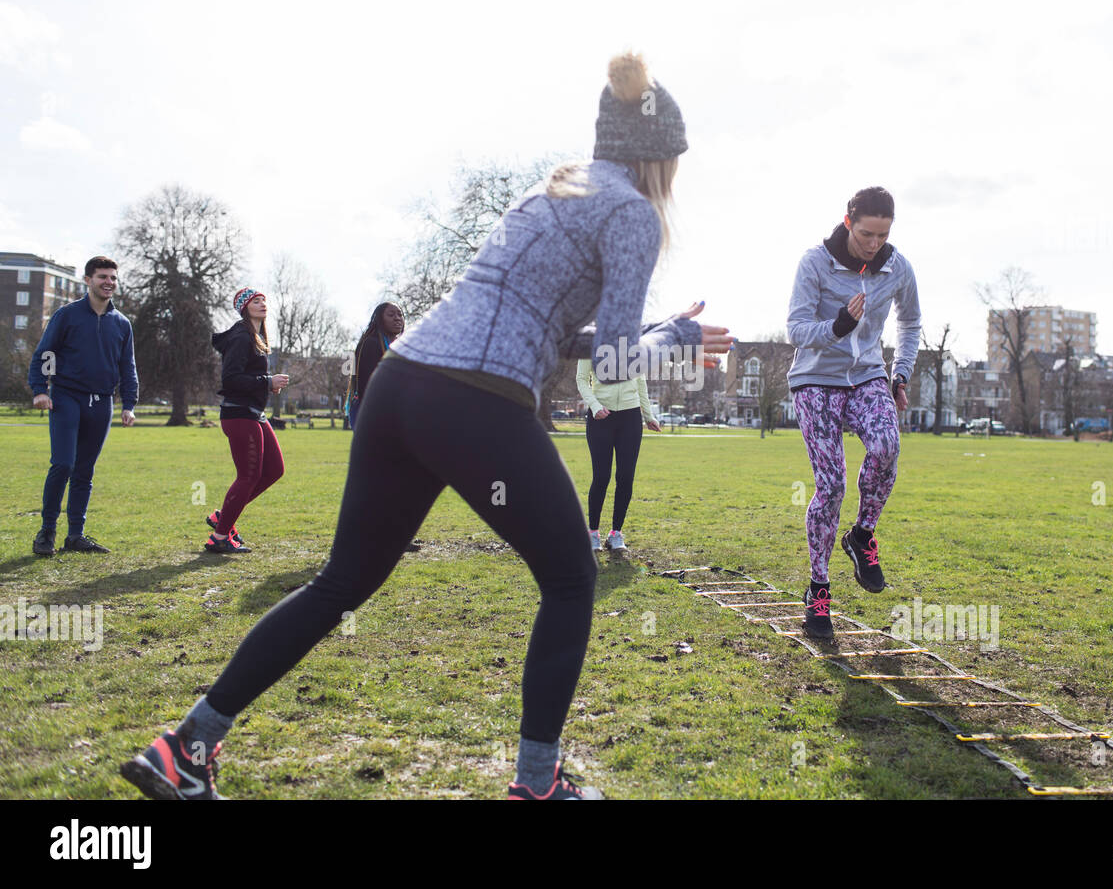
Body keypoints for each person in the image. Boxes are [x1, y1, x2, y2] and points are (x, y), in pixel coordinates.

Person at [122, 51, 734, 801]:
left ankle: (186, 744)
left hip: (401, 388)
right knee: (573, 579)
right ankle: (539, 786)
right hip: (471, 403)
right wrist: (671, 342)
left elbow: (538, 328)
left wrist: (663, 324)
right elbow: (611, 368)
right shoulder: (634, 213)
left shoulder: (548, 194)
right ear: (659, 158)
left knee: (341, 582)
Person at [786, 187, 921, 637]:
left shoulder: (897, 267)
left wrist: (899, 374)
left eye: (882, 235)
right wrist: (839, 325)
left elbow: (910, 322)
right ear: (848, 222)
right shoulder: (815, 263)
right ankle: (819, 591)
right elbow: (796, 330)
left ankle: (862, 535)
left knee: (887, 446)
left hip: (867, 377)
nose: (874, 244)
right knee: (832, 484)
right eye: (866, 234)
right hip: (815, 379)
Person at [28, 256, 138, 556]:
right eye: (102, 277)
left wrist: (129, 404)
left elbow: (127, 367)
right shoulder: (67, 315)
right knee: (63, 463)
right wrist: (40, 389)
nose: (109, 282)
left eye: (113, 278)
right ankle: (47, 532)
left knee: (85, 470)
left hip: (101, 403)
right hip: (66, 397)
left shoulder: (122, 323)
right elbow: (43, 354)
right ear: (88, 280)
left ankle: (75, 536)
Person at [204, 288, 290, 554]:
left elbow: (246, 377)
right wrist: (267, 381)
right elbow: (230, 379)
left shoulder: (256, 337)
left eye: (264, 299)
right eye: (256, 301)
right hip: (239, 414)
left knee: (274, 470)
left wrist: (266, 386)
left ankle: (223, 517)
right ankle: (219, 537)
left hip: (253, 413)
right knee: (249, 476)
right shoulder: (241, 336)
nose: (262, 303)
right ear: (244, 307)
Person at [576, 349, 664, 553]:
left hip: (630, 418)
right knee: (601, 477)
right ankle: (593, 534)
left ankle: (616, 533)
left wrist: (648, 415)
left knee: (625, 477)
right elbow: (581, 379)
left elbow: (640, 381)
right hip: (600, 417)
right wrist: (595, 405)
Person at [345, 302, 404, 429]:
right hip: (375, 417)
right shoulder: (371, 344)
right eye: (391, 314)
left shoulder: (400, 347)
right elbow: (368, 386)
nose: (397, 318)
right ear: (380, 320)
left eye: (400, 314)